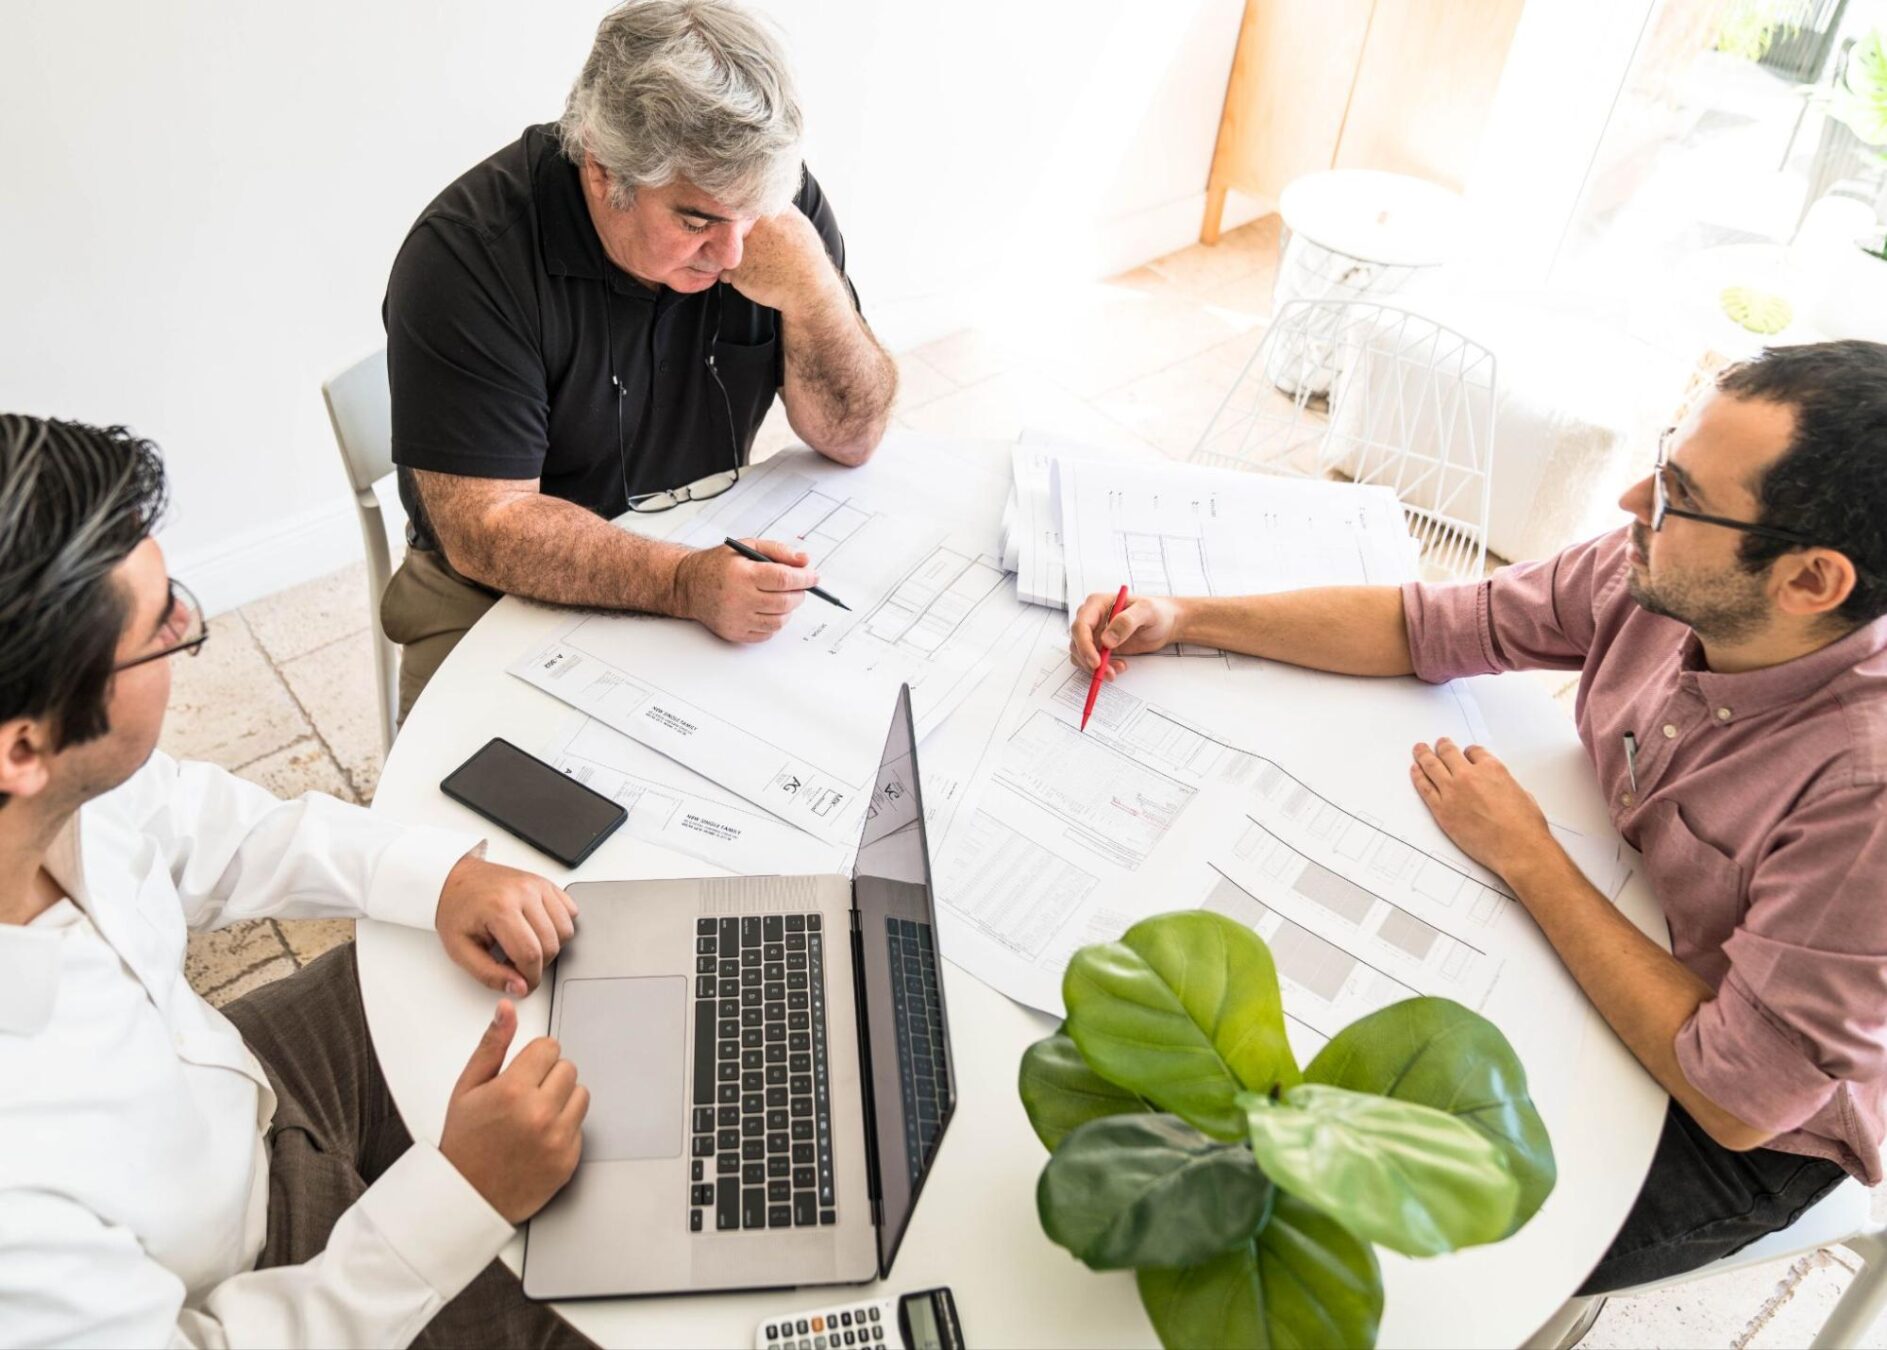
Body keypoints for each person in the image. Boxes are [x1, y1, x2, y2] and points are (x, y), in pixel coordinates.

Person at [1069, 340, 1887, 1293]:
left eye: (1676, 494)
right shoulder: (1666, 571)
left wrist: (1528, 855)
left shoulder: (1864, 794)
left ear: (1808, 583)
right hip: (1622, 925)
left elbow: (1737, 1098)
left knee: (1372, 1259)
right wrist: (1191, 616)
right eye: (1663, 460)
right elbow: (1435, 626)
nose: (1631, 502)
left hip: (1735, 1134)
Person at [0, 415, 595, 1347]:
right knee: (606, 1305)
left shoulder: (49, 795)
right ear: (25, 748)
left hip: (244, 1092)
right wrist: (461, 1198)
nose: (192, 628)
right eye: (159, 633)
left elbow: (193, 822)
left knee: (557, 980)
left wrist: (434, 879)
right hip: (263, 1279)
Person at [381, 0, 897, 719]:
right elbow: (488, 530)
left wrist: (815, 297)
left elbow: (852, 438)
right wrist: (682, 583)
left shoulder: (760, 202)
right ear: (601, 171)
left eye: (753, 216)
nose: (735, 254)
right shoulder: (466, 256)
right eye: (697, 222)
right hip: (495, 589)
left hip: (700, 534)